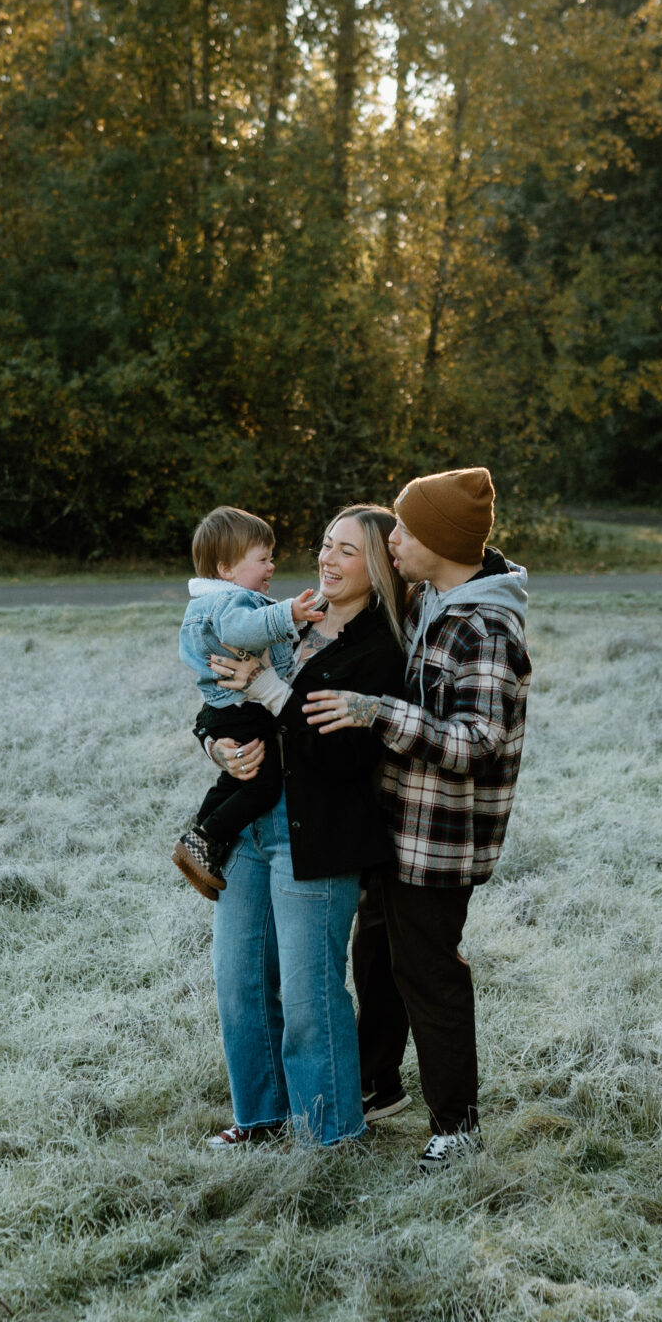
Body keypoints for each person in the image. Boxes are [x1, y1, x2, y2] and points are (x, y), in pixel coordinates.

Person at [302, 467, 530, 1172]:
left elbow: (476, 740)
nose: (389, 539)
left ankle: (457, 1126)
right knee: (375, 954)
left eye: (402, 528)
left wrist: (380, 713)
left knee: (427, 970)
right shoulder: (433, 598)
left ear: (438, 539)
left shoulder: (485, 626)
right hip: (395, 825)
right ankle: (376, 1085)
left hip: (441, 841)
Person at [195, 506, 412, 1148]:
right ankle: (261, 1121)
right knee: (239, 984)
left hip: (316, 836)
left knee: (310, 999)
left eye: (347, 551)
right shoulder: (287, 621)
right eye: (325, 544)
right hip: (248, 829)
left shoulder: (379, 650)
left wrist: (269, 690)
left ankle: (328, 1135)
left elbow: (347, 757)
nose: (328, 559)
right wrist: (217, 748)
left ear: (375, 569)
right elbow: (216, 699)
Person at [173, 506, 320, 897]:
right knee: (265, 785)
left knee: (235, 778)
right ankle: (207, 837)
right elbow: (246, 629)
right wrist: (287, 613)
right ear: (226, 569)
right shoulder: (230, 605)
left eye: (271, 558)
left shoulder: (208, 603)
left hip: (223, 711)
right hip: (242, 708)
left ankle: (201, 843)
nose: (271, 567)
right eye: (262, 559)